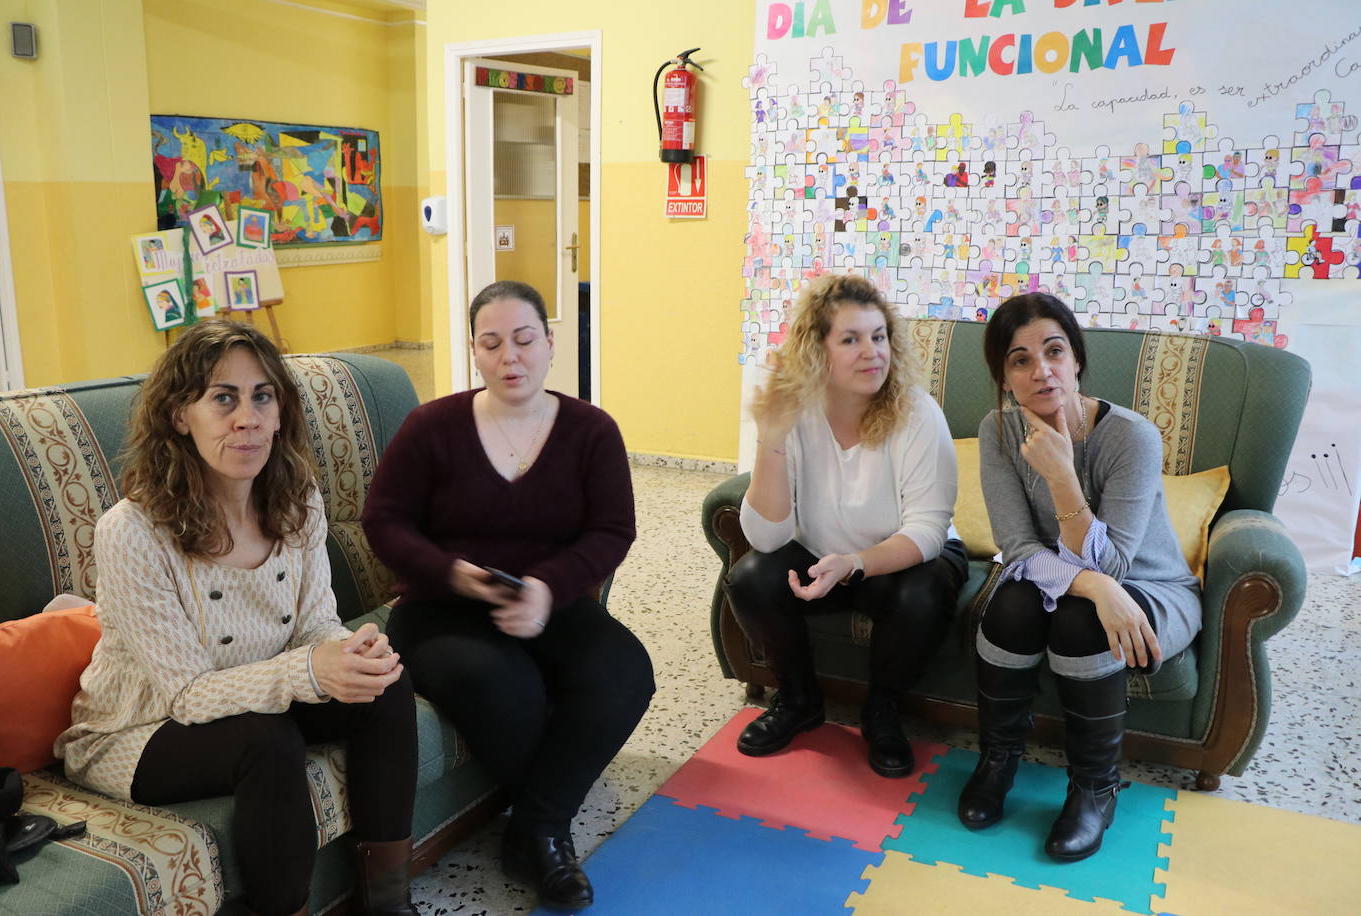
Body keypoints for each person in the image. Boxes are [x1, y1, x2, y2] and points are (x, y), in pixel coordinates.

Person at [56, 320, 421, 916]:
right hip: (138, 727)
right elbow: (187, 695)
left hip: (256, 688)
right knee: (265, 740)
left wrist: (348, 653)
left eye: (262, 396)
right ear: (181, 415)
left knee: (384, 687)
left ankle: (387, 902)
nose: (246, 418)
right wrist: (311, 672)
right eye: (223, 398)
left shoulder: (297, 494)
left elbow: (315, 624)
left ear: (280, 413)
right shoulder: (131, 531)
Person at [362, 280, 654, 912]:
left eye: (524, 340)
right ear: (474, 351)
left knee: (626, 673)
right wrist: (455, 574)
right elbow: (384, 521)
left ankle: (534, 827)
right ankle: (548, 837)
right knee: (505, 686)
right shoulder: (431, 426)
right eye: (491, 344)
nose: (509, 358)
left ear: (550, 344)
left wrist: (549, 588)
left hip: (548, 601)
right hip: (440, 610)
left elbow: (612, 530)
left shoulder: (590, 431)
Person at [958, 292, 1200, 861]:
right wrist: (1093, 586)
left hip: (1153, 587)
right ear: (1004, 376)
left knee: (1078, 619)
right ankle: (998, 759)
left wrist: (1065, 478)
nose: (1041, 370)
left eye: (1054, 351)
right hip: (1072, 583)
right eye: (1020, 359)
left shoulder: (1131, 437)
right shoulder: (998, 430)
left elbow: (1115, 562)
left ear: (1076, 359)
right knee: (1012, 604)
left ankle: (1095, 787)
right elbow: (1017, 548)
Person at [726, 273, 967, 778]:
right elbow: (766, 539)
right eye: (851, 340)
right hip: (821, 556)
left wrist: (854, 565)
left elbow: (927, 529)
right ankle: (798, 699)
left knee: (920, 593)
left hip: (904, 562)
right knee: (750, 577)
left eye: (879, 337)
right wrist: (770, 437)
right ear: (817, 351)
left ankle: (882, 710)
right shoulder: (798, 414)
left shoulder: (918, 413)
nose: (871, 352)